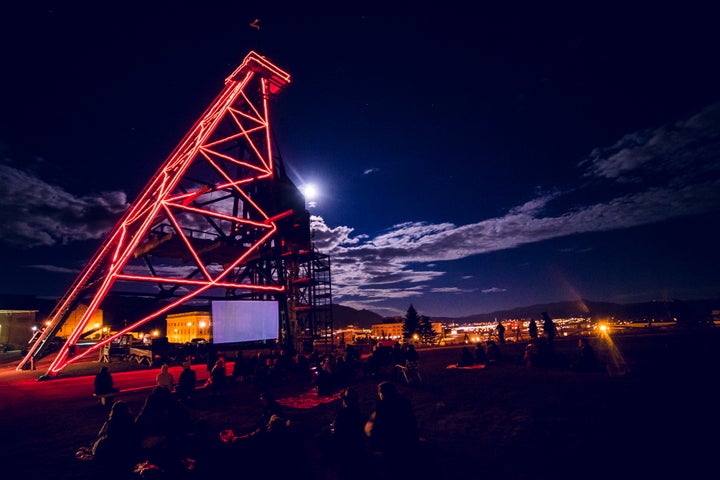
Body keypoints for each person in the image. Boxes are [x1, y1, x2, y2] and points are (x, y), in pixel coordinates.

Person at [364, 381, 418, 459]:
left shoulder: (383, 407)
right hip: (408, 437)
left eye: (379, 393)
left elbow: (378, 426)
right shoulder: (404, 401)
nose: (379, 395)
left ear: (383, 393)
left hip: (394, 441)